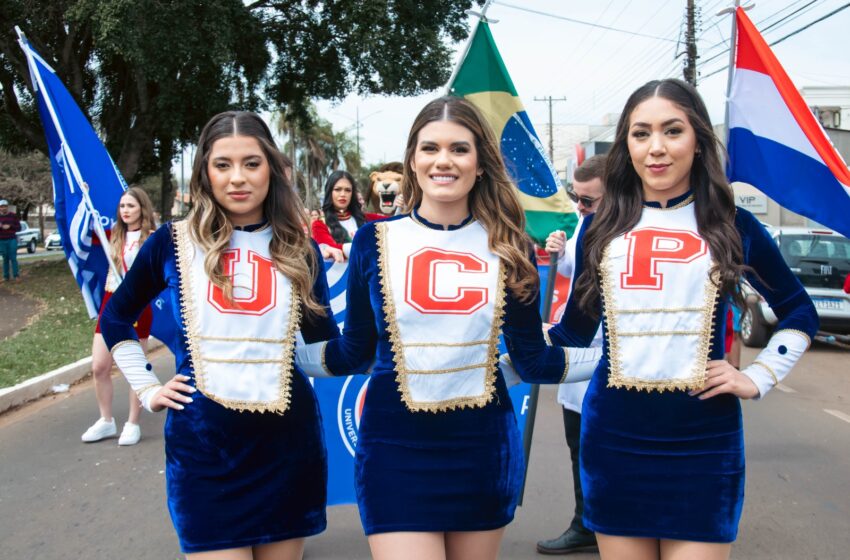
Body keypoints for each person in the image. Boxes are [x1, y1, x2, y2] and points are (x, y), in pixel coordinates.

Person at [296, 96, 601, 560]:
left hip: (482, 450)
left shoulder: (509, 243)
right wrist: (278, 357)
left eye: (459, 149)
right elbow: (354, 350)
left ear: (480, 163)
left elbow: (532, 358)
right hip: (393, 450)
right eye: (430, 148)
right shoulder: (372, 241)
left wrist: (622, 359)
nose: (444, 160)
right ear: (412, 162)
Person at [547, 79, 818, 560]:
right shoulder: (599, 226)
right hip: (614, 439)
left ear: (697, 138)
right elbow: (571, 335)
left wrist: (759, 376)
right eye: (640, 133)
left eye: (672, 131)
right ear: (625, 145)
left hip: (704, 442)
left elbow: (798, 310)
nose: (656, 149)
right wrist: (503, 323)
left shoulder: (731, 223)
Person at [100, 111, 339, 559]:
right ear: (205, 173)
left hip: (288, 447)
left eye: (251, 163)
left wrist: (374, 341)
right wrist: (148, 388)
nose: (237, 178)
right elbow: (115, 317)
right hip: (204, 451)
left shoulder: (299, 249)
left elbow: (324, 347)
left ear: (271, 168)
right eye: (222, 164)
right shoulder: (173, 241)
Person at [537, 154, 607, 555]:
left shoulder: (623, 230)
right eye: (577, 198)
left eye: (588, 201)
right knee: (577, 440)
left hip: (605, 354)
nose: (579, 207)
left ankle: (609, 523)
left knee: (602, 444)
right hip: (576, 348)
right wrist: (559, 252)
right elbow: (573, 272)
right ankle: (586, 523)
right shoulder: (587, 222)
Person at [81, 187, 156, 445]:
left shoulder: (153, 238)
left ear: (142, 209)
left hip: (137, 305)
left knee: (134, 368)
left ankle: (133, 422)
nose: (125, 211)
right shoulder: (111, 235)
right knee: (99, 366)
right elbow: (79, 237)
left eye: (131, 206)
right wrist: (85, 202)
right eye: (122, 206)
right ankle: (106, 420)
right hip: (110, 302)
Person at [311, 170, 383, 259]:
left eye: (348, 190)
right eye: (337, 189)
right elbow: (330, 249)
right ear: (330, 192)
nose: (343, 194)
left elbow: (395, 222)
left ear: (352, 194)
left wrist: (401, 205)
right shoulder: (320, 224)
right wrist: (370, 247)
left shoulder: (367, 218)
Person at [0, 199, 21, 282]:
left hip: (12, 239)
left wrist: (10, 226)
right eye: (1, 207)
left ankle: (16, 276)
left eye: (5, 206)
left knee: (13, 257)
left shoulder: (13, 216)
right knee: (5, 257)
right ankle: (6, 276)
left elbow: (19, 228)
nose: (3, 208)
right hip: (1, 240)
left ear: (7, 207)